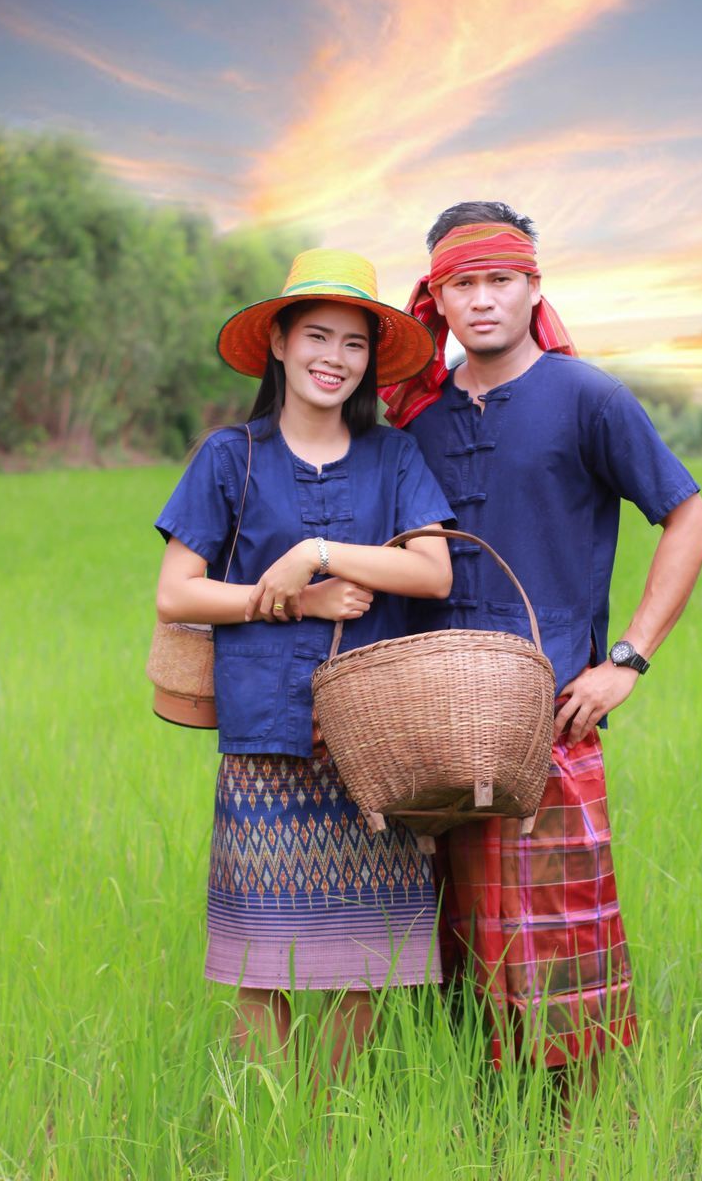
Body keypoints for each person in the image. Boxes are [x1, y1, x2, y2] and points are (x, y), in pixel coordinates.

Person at [381, 202, 702, 1093]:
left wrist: (628, 659)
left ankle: (568, 1137)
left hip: (552, 716)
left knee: (558, 945)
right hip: (429, 723)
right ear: (436, 297)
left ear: (533, 286)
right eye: (463, 284)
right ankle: (466, 1117)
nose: (482, 299)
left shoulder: (588, 397)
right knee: (446, 941)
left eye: (500, 280)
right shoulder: (414, 419)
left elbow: (689, 517)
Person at [154, 248, 453, 1069]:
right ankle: (273, 1132)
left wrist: (322, 550)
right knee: (261, 959)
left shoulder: (394, 457)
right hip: (262, 738)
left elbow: (432, 571)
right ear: (279, 343)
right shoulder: (230, 456)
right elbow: (177, 593)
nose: (334, 358)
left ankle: (331, 1133)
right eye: (316, 336)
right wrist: (285, 596)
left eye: (354, 344)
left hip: (371, 744)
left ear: (370, 361)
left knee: (360, 965)